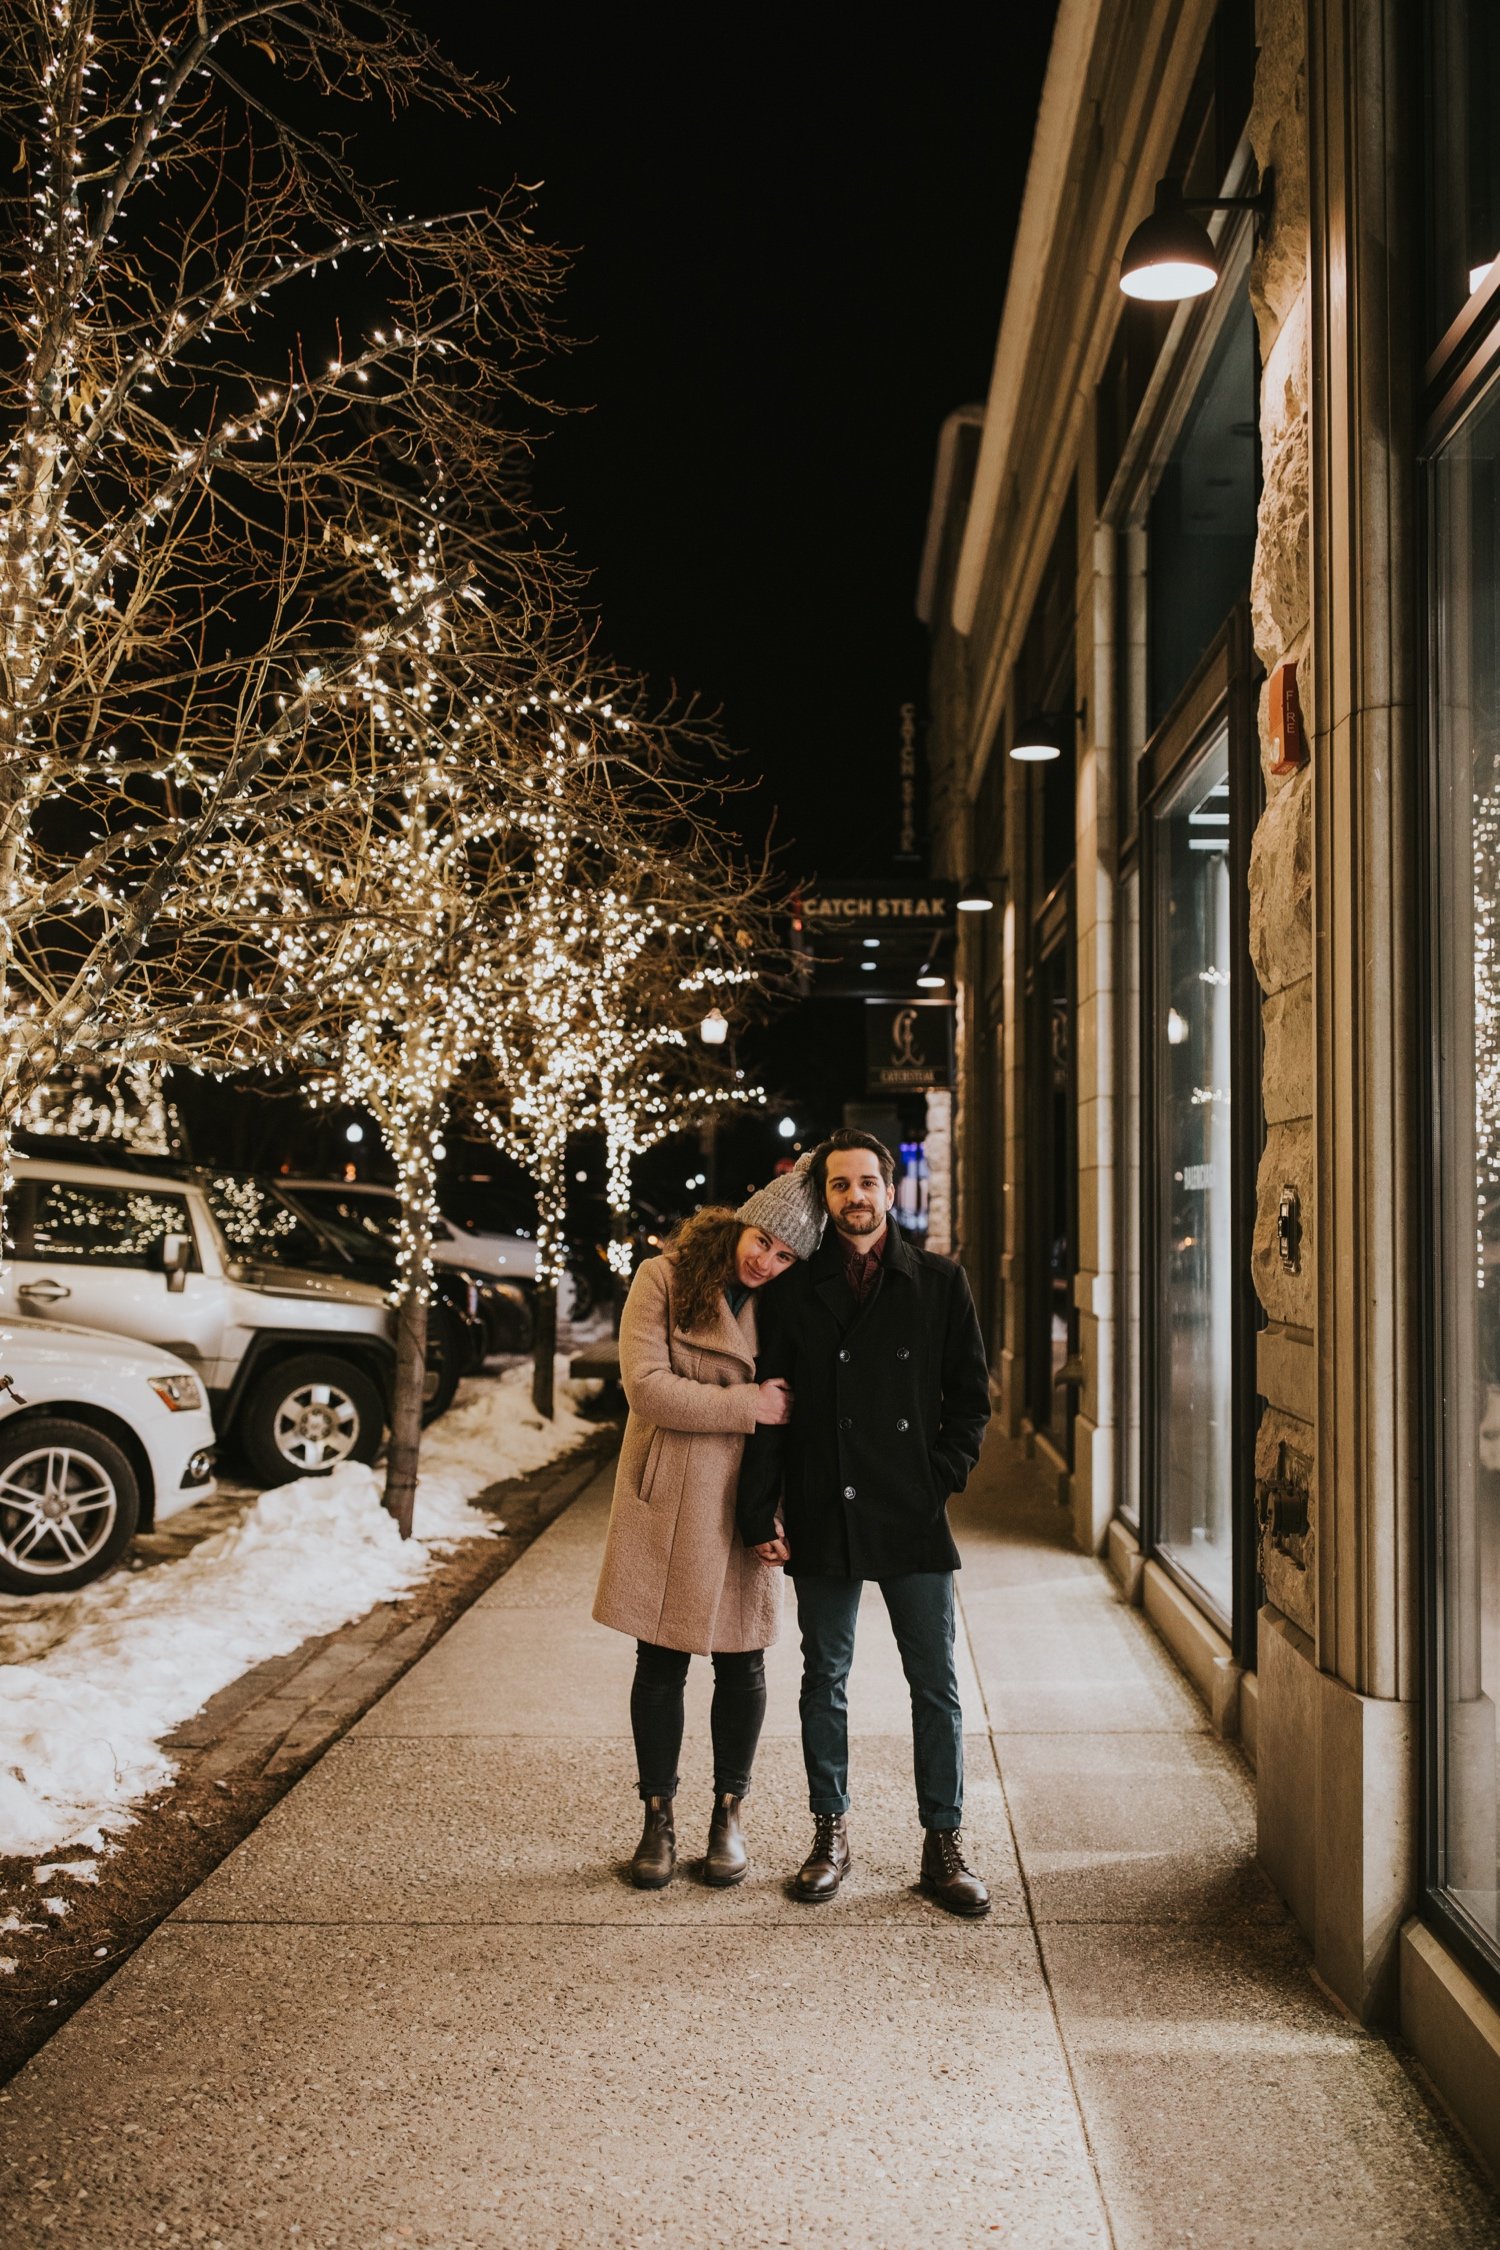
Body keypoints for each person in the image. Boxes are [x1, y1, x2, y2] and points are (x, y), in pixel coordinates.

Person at [736, 1128, 993, 1916]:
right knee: (826, 1680)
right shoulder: (792, 1289)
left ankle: (943, 1844)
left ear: (890, 1190)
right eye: (840, 1185)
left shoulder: (940, 1283)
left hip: (911, 1513)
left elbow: (971, 1400)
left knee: (936, 1687)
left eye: (867, 1184)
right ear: (826, 1196)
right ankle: (830, 1835)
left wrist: (936, 1478)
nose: (855, 1197)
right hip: (823, 1507)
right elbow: (773, 1413)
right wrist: (759, 1510)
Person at [592, 1157, 825, 1890]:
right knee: (660, 1663)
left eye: (787, 1255)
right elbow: (646, 1388)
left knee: (742, 1660)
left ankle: (728, 1814)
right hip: (669, 1501)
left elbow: (805, 1411)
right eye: (763, 1242)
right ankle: (657, 1818)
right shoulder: (661, 1280)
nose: (768, 1262)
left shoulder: (789, 1304)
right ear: (741, 1221)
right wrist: (745, 1405)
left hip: (747, 1500)